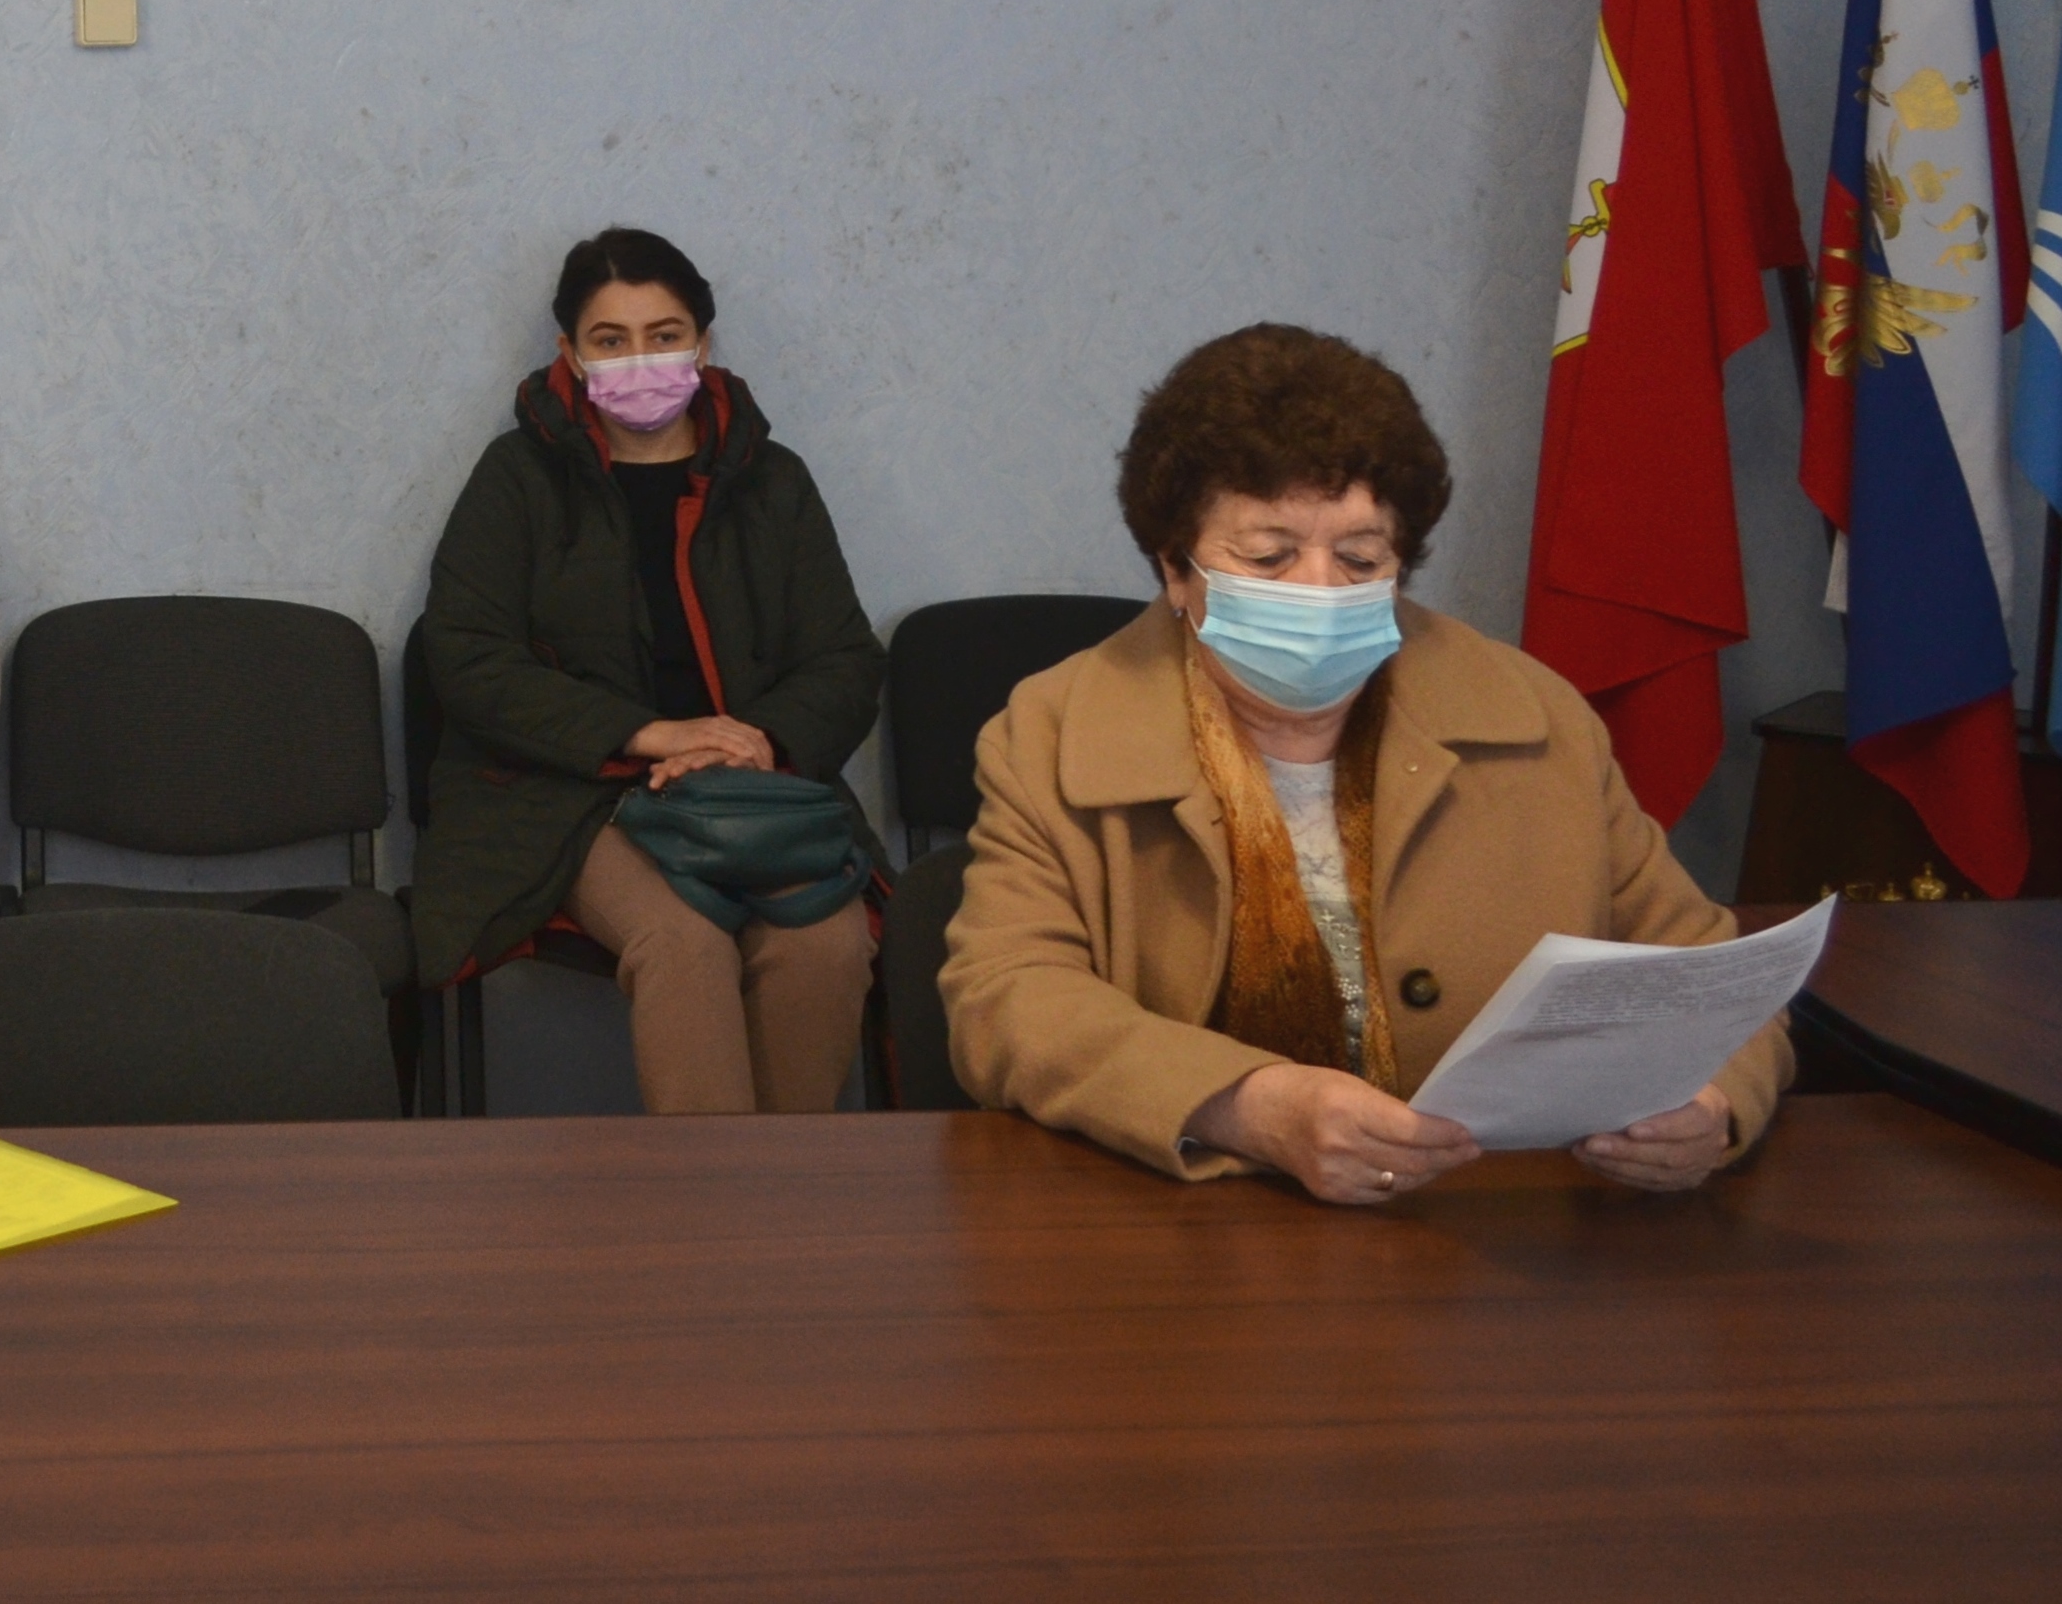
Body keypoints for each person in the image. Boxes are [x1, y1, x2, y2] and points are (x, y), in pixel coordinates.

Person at [943, 324, 1793, 1203]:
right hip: (1188, 1220)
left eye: (1360, 558)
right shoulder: (1051, 732)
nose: (1318, 589)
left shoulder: (1538, 720)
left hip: (1499, 1223)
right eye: (1268, 556)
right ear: (1176, 569)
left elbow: (1714, 978)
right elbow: (1006, 999)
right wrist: (1246, 1105)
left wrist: (1711, 1104)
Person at [414, 229, 887, 1113]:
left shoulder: (772, 482)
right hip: (570, 797)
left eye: (664, 336)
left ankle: (783, 1186)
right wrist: (649, 735)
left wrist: (757, 741)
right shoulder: (518, 478)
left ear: (702, 345)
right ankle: (712, 1197)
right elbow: (467, 655)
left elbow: (845, 658)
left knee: (824, 945)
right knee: (682, 939)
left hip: (752, 789)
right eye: (612, 339)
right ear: (571, 354)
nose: (641, 359)